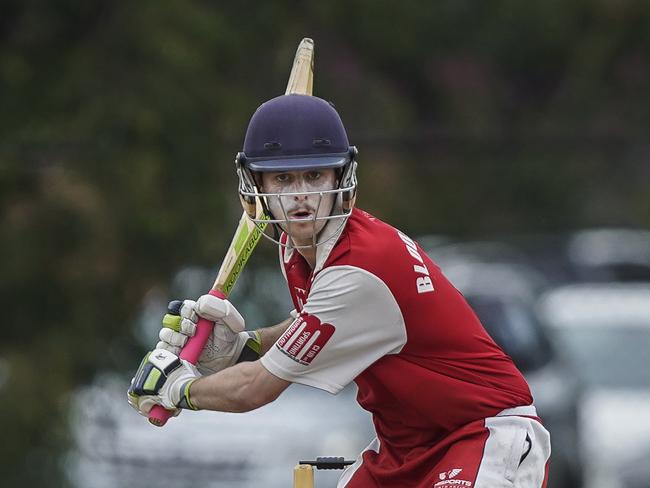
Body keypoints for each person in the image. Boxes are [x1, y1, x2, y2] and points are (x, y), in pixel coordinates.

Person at [127, 94, 551, 487]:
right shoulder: (300, 248)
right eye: (282, 179)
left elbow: (255, 390)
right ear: (256, 186)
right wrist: (243, 346)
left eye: (314, 175)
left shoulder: (358, 269)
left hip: (480, 434)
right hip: (403, 450)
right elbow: (314, 325)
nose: (302, 197)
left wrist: (180, 389)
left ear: (341, 175)